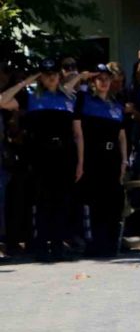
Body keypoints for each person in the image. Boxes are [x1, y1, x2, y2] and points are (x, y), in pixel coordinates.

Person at [0, 59, 82, 261]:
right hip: (39, 155)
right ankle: (41, 247)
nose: (51, 77)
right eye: (46, 74)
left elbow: (78, 134)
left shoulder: (69, 98)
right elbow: (2, 101)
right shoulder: (31, 96)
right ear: (41, 77)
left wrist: (80, 162)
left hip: (64, 154)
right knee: (42, 202)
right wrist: (25, 82)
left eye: (54, 73)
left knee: (61, 202)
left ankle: (58, 247)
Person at [75, 63, 128, 257]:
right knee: (94, 202)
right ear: (93, 82)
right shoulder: (84, 100)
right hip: (93, 157)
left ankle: (110, 245)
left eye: (107, 79)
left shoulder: (116, 105)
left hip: (112, 158)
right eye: (100, 79)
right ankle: (94, 245)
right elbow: (78, 131)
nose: (104, 82)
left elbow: (122, 136)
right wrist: (83, 76)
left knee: (112, 202)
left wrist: (124, 161)